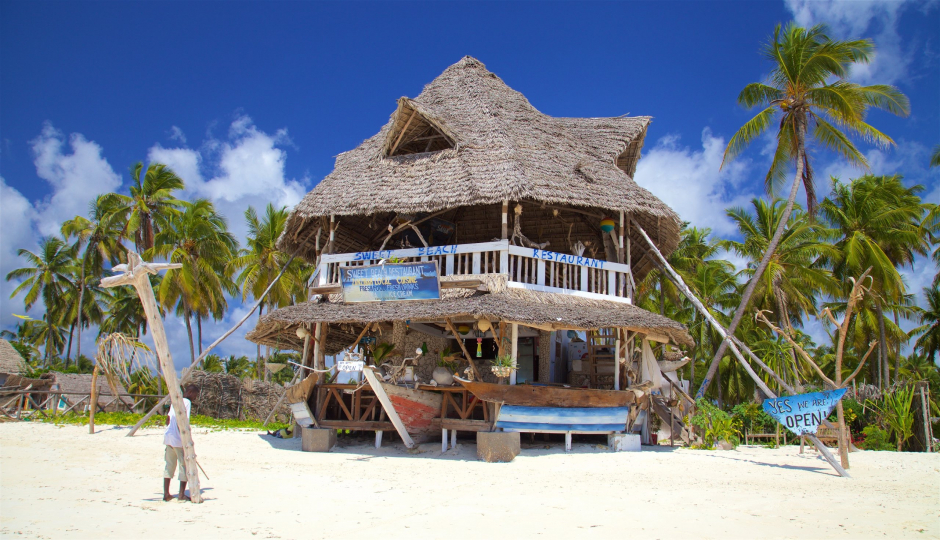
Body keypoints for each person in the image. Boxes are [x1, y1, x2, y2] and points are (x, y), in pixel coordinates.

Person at [163, 384, 199, 502]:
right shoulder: (187, 402)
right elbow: (184, 420)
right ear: (190, 393)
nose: (195, 398)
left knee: (169, 466)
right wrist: (185, 438)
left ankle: (166, 494)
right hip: (179, 439)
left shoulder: (175, 401)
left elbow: (168, 420)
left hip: (168, 437)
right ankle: (181, 494)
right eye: (195, 395)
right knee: (184, 466)